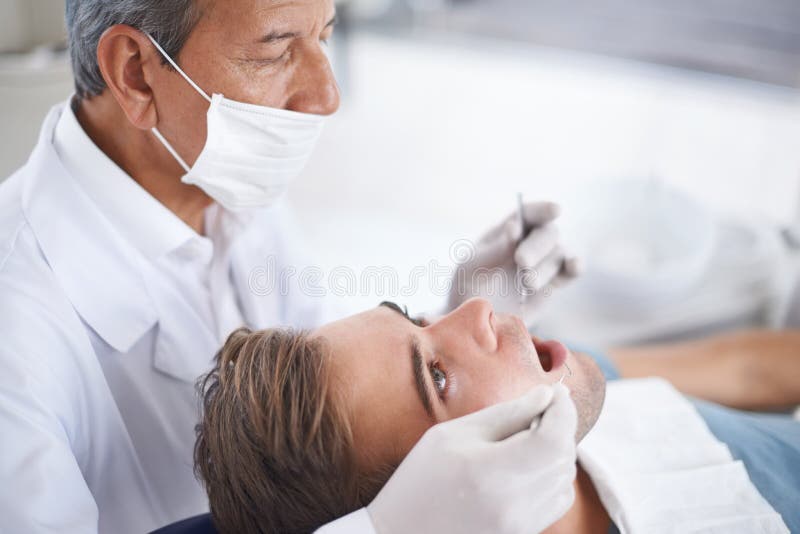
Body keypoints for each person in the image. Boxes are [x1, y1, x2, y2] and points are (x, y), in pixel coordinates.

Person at [0, 1, 580, 533]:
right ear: (135, 72)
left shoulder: (220, 178)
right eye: (275, 49)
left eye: (325, 33)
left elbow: (326, 416)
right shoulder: (18, 332)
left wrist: (446, 324)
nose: (326, 95)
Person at [194, 298, 799, 533]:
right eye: (437, 376)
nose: (477, 308)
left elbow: (748, 369)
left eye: (419, 317)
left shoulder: (573, 389)